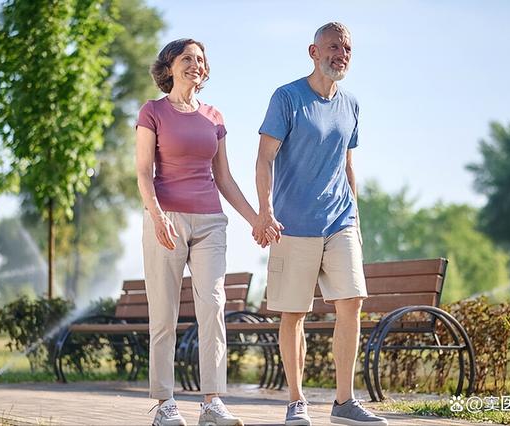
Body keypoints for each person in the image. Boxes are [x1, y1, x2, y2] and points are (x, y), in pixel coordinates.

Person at [253, 22, 389, 426]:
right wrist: (265, 211)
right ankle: (297, 401)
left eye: (346, 49)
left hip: (341, 220)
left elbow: (348, 166)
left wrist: (358, 221)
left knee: (352, 303)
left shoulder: (352, 105)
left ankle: (344, 402)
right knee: (293, 313)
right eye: (333, 47)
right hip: (291, 223)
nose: (341, 54)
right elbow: (264, 158)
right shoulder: (287, 98)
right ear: (313, 52)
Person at [136, 38, 254, 426]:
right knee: (165, 314)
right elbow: (143, 172)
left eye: (201, 59)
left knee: (213, 308)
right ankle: (165, 403)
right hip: (166, 218)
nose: (196, 65)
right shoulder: (152, 111)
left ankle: (212, 403)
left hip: (210, 222)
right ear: (169, 66)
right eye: (187, 58)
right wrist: (156, 215)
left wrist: (255, 219)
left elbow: (224, 177)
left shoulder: (214, 116)